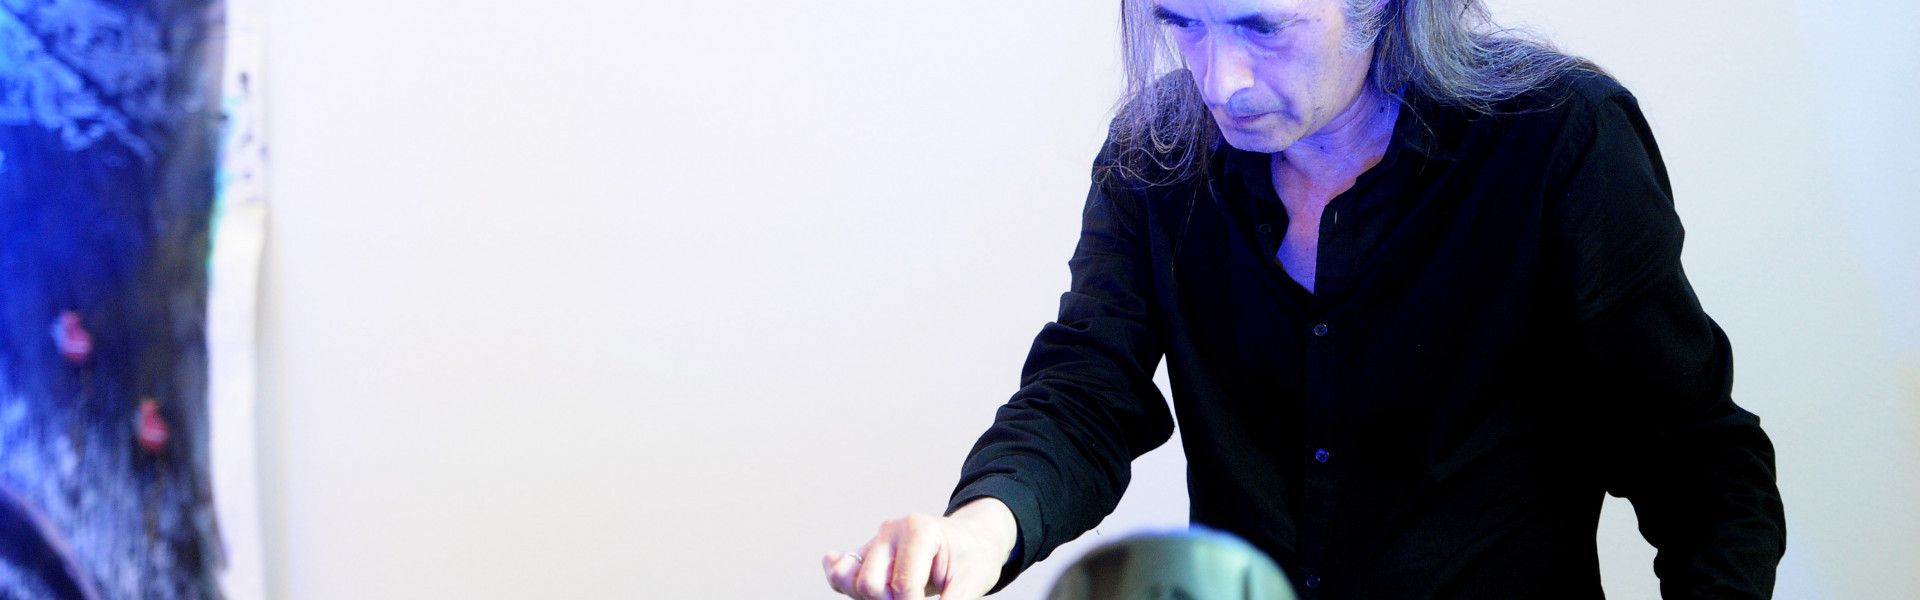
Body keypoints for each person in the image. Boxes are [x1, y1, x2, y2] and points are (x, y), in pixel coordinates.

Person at [821, 0, 1787, 598]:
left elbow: (1699, 464)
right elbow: (1086, 391)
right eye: (1180, 21)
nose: (1221, 81)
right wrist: (978, 531)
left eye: (1261, 26)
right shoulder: (1155, 159)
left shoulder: (1557, 141)